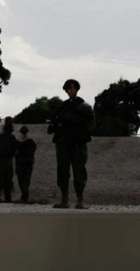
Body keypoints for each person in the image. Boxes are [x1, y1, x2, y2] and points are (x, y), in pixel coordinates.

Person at [48, 79, 94, 209]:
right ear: (66, 90)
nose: (71, 90)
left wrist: (81, 132)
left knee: (79, 171)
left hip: (78, 143)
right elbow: (53, 124)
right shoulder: (62, 107)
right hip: (63, 142)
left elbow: (91, 124)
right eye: (69, 88)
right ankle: (64, 199)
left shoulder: (84, 106)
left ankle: (80, 200)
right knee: (62, 171)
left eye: (73, 88)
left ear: (77, 89)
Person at [0, 118, 17, 203]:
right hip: (7, 160)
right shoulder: (12, 138)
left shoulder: (0, 137)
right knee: (7, 178)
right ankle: (7, 196)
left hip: (0, 160)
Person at [14, 125, 37, 204]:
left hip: (22, 162)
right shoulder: (30, 141)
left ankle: (24, 195)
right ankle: (25, 195)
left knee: (22, 180)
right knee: (26, 180)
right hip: (26, 162)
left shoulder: (18, 142)